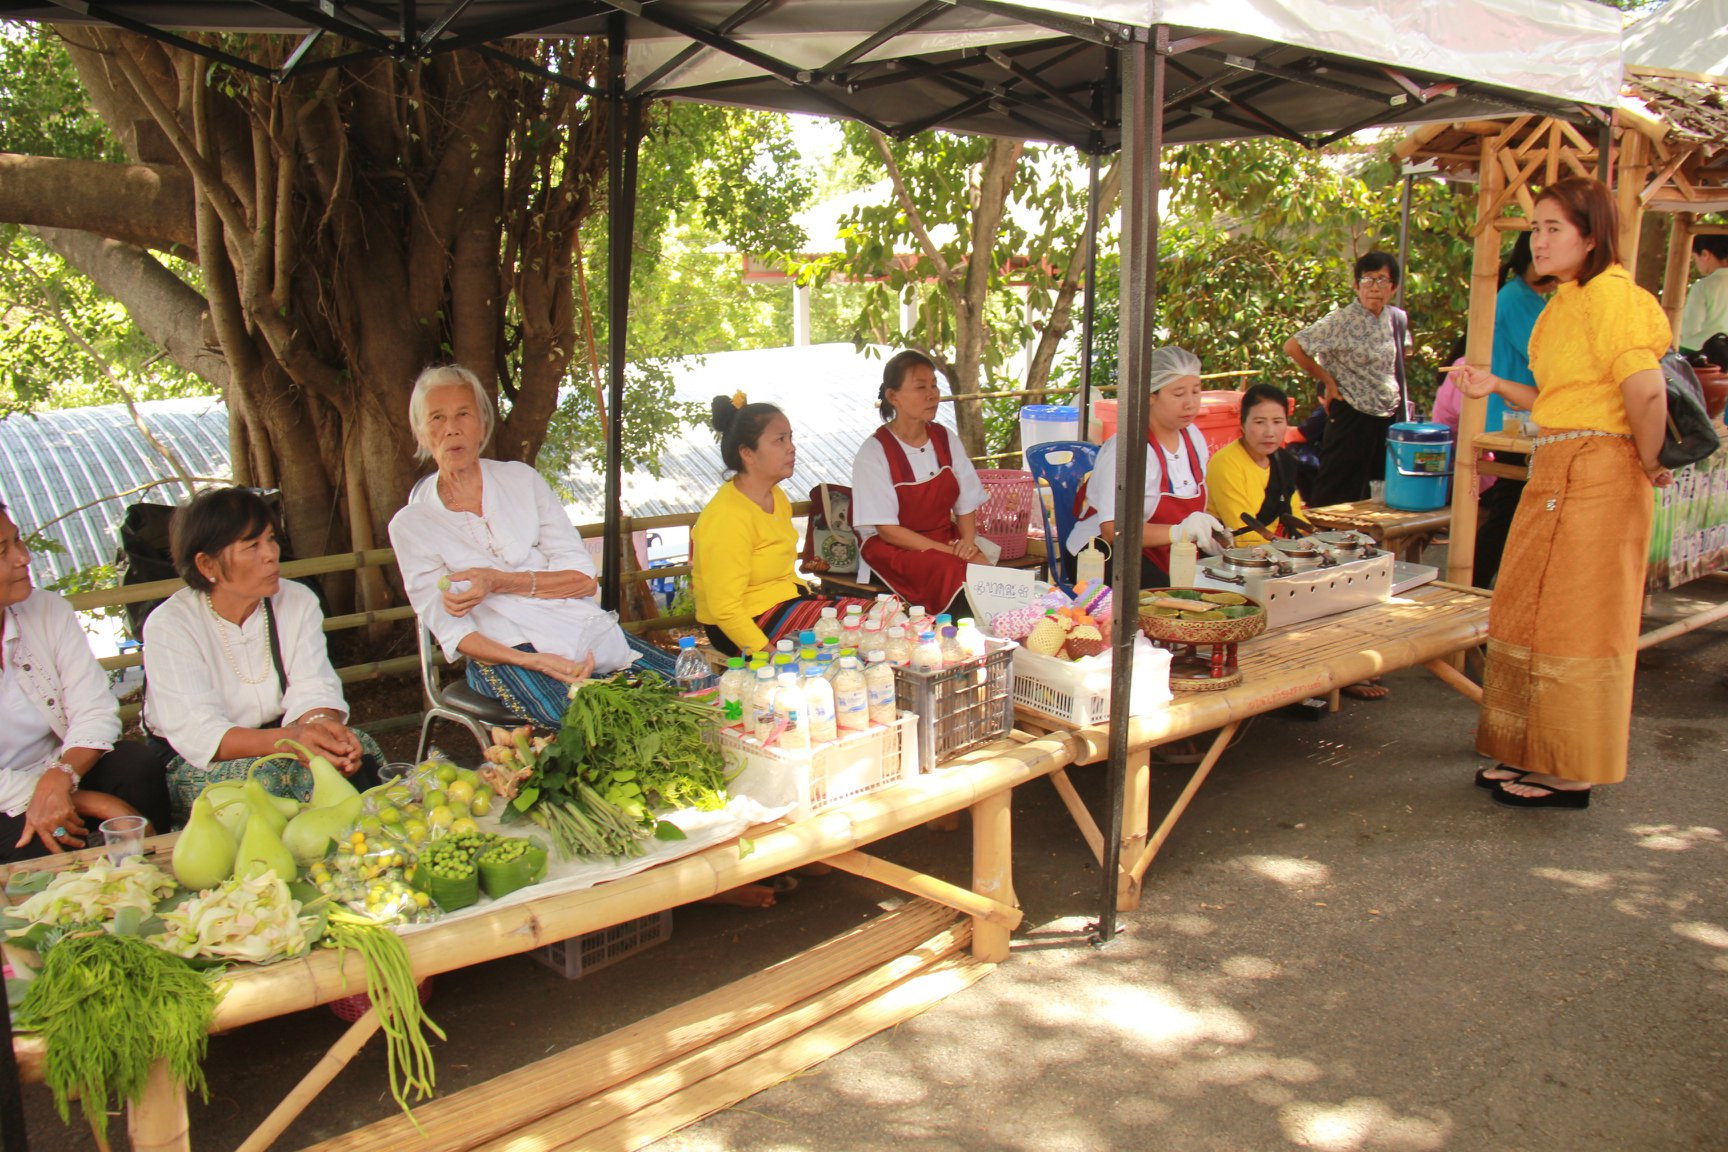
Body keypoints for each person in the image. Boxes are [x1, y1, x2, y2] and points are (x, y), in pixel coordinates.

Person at [1450, 176, 1673, 809]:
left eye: (1553, 228)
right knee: (1529, 610)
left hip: (1601, 471)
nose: (1539, 241)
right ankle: (1529, 750)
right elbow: (1558, 399)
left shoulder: (1614, 297)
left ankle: (1571, 769)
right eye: (1535, 228)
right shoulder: (1565, 301)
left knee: (1579, 621)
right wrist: (1494, 384)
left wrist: (1652, 459)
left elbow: (1647, 390)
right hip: (1557, 467)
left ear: (1592, 236)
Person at [389, 364, 638, 730]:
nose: (452, 428)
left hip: (577, 629)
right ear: (422, 433)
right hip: (503, 655)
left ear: (483, 425)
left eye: (463, 414)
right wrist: (535, 662)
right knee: (595, 725)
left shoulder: (521, 480)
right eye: (437, 418)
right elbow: (454, 633)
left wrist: (499, 581)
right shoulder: (412, 525)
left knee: (679, 691)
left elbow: (583, 580)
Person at [142, 487, 380, 819]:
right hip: (197, 758)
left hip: (287, 735)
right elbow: (201, 733)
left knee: (357, 749)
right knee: (275, 779)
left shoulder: (297, 601)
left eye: (270, 539)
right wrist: (293, 740)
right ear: (207, 563)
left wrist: (321, 727)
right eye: (252, 546)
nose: (271, 554)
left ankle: (370, 853)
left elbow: (313, 685)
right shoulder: (170, 625)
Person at [1, 501, 170, 859]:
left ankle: (152, 876)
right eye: (3, 551)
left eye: (18, 541)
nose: (23, 558)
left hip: (60, 769)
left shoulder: (47, 610)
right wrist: (98, 803)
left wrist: (62, 775)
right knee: (30, 838)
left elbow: (93, 708)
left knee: (135, 766)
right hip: (7, 797)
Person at [693, 396, 869, 657]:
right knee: (858, 627)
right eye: (780, 440)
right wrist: (770, 655)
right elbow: (725, 609)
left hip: (783, 601)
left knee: (878, 613)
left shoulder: (776, 497)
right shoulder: (727, 516)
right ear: (747, 453)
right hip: (742, 623)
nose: (792, 448)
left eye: (790, 438)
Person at [1068, 345, 1229, 588]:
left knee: (1221, 584)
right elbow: (1114, 531)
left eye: (1196, 392)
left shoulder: (1193, 437)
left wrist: (1211, 532)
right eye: (1178, 394)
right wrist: (1179, 532)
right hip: (1102, 553)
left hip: (1166, 550)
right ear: (1150, 396)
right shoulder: (1130, 450)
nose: (1190, 403)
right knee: (1170, 602)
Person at [850, 350, 990, 613]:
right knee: (950, 570)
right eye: (920, 387)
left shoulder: (945, 438)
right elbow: (888, 531)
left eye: (934, 385)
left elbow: (967, 504)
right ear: (893, 397)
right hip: (893, 547)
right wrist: (949, 553)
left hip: (942, 538)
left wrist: (968, 544)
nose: (932, 394)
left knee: (983, 570)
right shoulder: (874, 452)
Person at [1283, 252, 1411, 507]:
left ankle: (1368, 545)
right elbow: (1292, 346)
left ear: (1393, 287)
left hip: (1387, 417)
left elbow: (1402, 355)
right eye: (1368, 280)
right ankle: (1322, 541)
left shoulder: (1396, 318)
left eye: (1383, 280)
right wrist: (1328, 381)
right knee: (1337, 489)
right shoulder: (1340, 320)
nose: (1375, 287)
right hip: (1351, 413)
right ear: (1356, 285)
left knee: (1377, 490)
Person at [1206, 382, 1307, 545]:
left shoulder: (1284, 461)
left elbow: (1295, 518)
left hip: (1275, 549)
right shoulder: (1225, 464)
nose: (1270, 432)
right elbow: (1243, 537)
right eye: (1259, 422)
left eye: (1277, 421)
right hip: (1236, 556)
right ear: (1242, 424)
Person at [1678, 233, 1728, 356]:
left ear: (1705, 254)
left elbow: (1691, 329)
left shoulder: (1703, 287)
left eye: (1695, 258)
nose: (1696, 263)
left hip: (1704, 355)